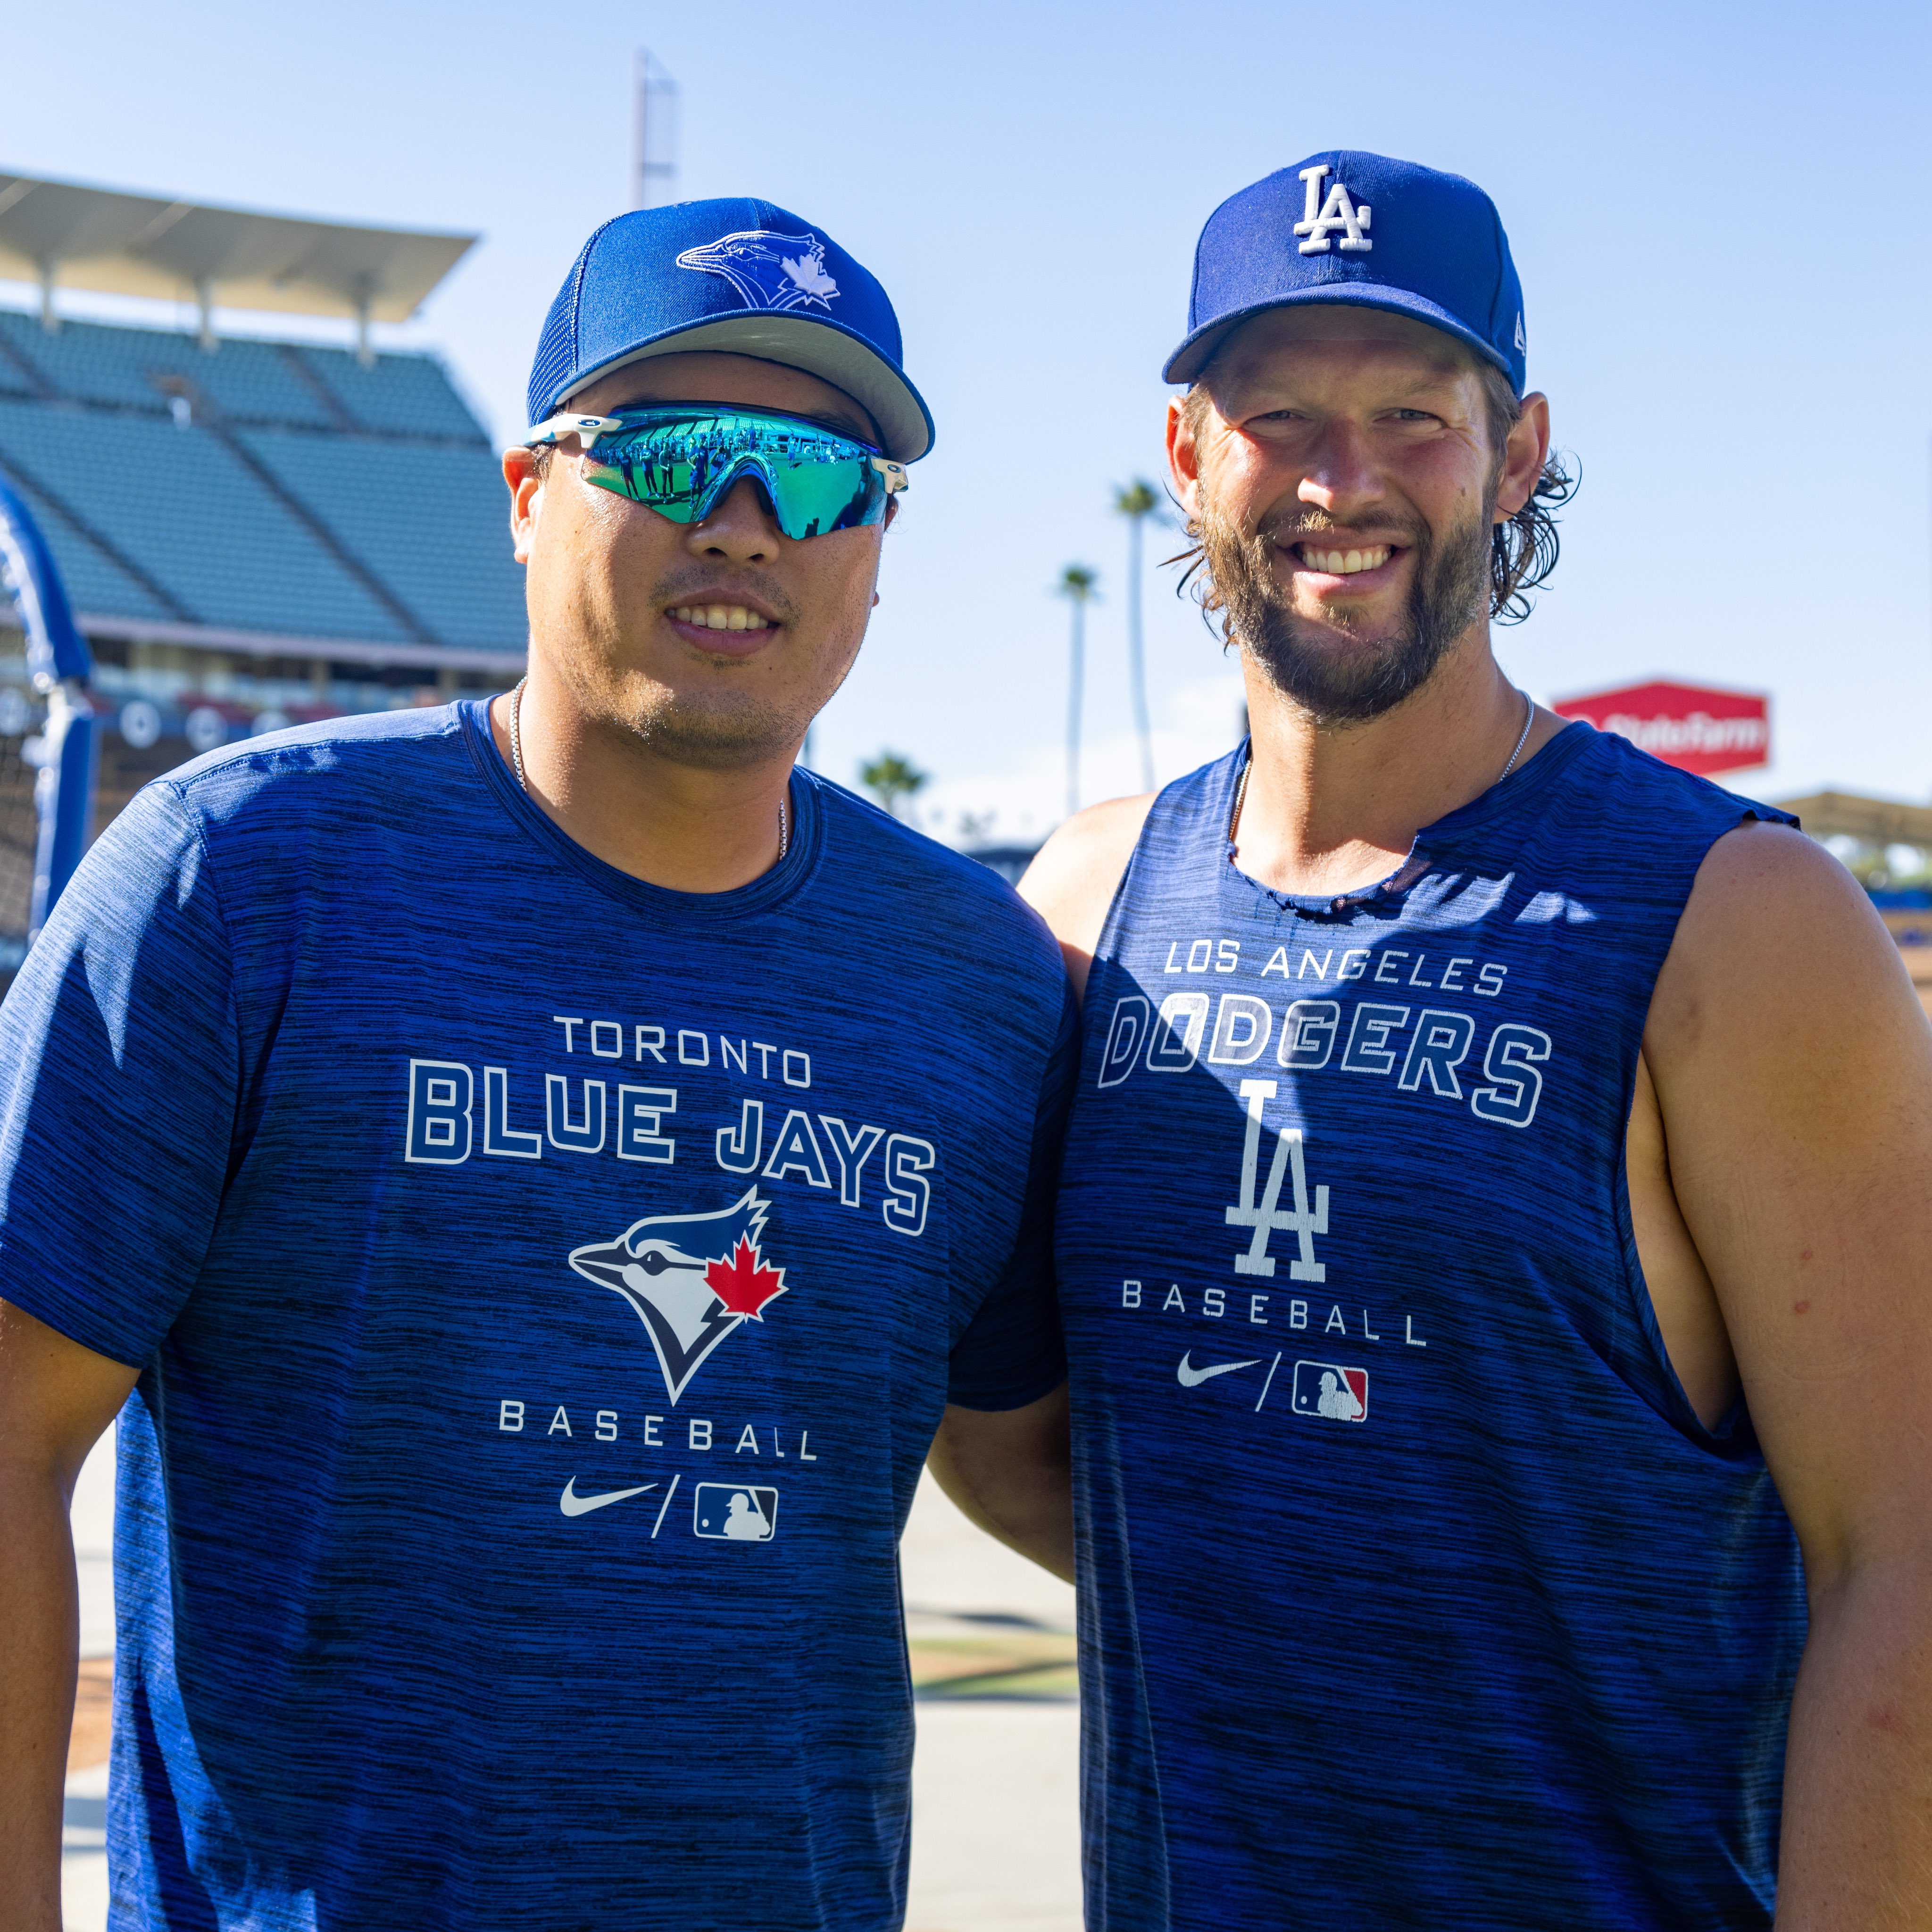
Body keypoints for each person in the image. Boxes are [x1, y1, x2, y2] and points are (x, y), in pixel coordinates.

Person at [0, 198, 1074, 1931]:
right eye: (670, 457)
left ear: (875, 546)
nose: (745, 524)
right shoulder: (243, 876)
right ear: (524, 496)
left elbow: (1037, 1455)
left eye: (817, 480)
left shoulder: (975, 981)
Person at [1021, 151, 1932, 1927]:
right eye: (1278, 415)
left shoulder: (1737, 921)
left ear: (1517, 454)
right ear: (1189, 456)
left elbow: (1903, 1548)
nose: (1340, 482)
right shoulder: (1081, 908)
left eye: (1414, 419)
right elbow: (1025, 1439)